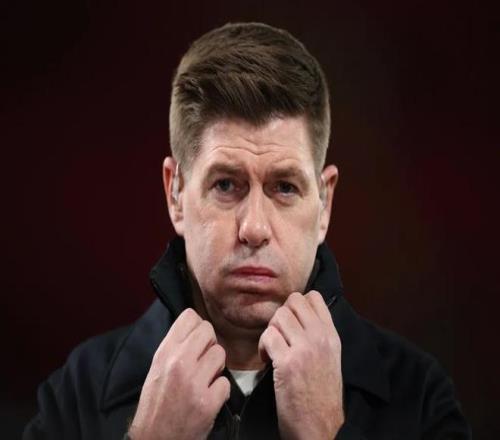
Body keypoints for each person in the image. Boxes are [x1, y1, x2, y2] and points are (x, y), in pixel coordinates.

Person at [24, 22, 471, 440]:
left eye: (284, 187)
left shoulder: (420, 398)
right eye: (225, 185)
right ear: (175, 194)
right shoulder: (78, 392)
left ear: (325, 203)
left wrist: (326, 432)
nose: (254, 228)